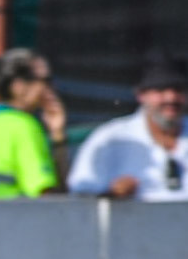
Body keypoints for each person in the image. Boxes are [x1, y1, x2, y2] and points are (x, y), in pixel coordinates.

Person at [68, 49, 188, 202]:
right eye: (160, 90)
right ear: (141, 95)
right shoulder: (111, 138)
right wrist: (111, 193)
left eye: (179, 90)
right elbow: (80, 196)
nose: (171, 98)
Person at [0, 48, 66, 199]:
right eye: (45, 80)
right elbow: (44, 194)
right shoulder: (24, 127)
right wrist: (59, 139)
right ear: (18, 85)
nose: (50, 88)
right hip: (22, 218)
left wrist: (56, 131)